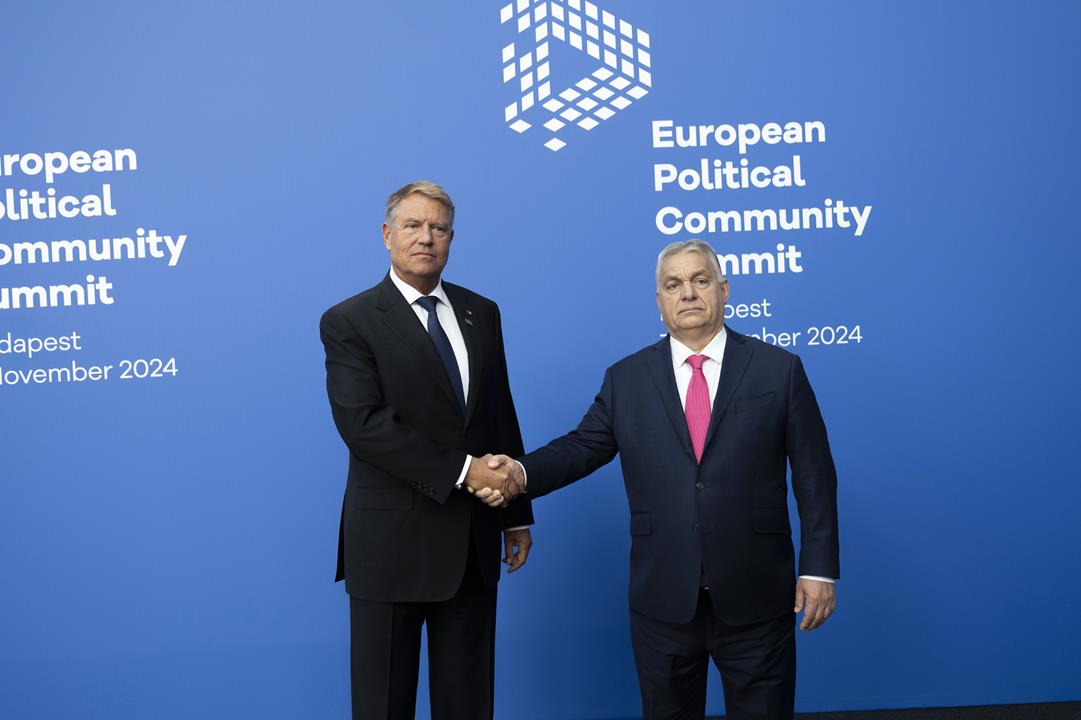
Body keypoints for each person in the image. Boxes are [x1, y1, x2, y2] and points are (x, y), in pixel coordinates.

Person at [487, 239, 839, 720]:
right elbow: (582, 447)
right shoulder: (626, 379)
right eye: (673, 284)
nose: (688, 293)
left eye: (700, 280)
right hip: (663, 603)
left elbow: (814, 475)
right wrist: (519, 472)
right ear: (659, 301)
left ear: (724, 289)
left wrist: (817, 568)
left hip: (757, 595)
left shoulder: (779, 370)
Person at [320, 180, 532, 720]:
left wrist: (515, 513)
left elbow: (498, 411)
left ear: (452, 239)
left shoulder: (481, 313)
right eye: (413, 226)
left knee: (468, 705)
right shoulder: (350, 321)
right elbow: (363, 425)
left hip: (471, 547)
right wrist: (466, 472)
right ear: (387, 235)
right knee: (383, 707)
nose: (426, 238)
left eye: (438, 228)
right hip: (390, 549)